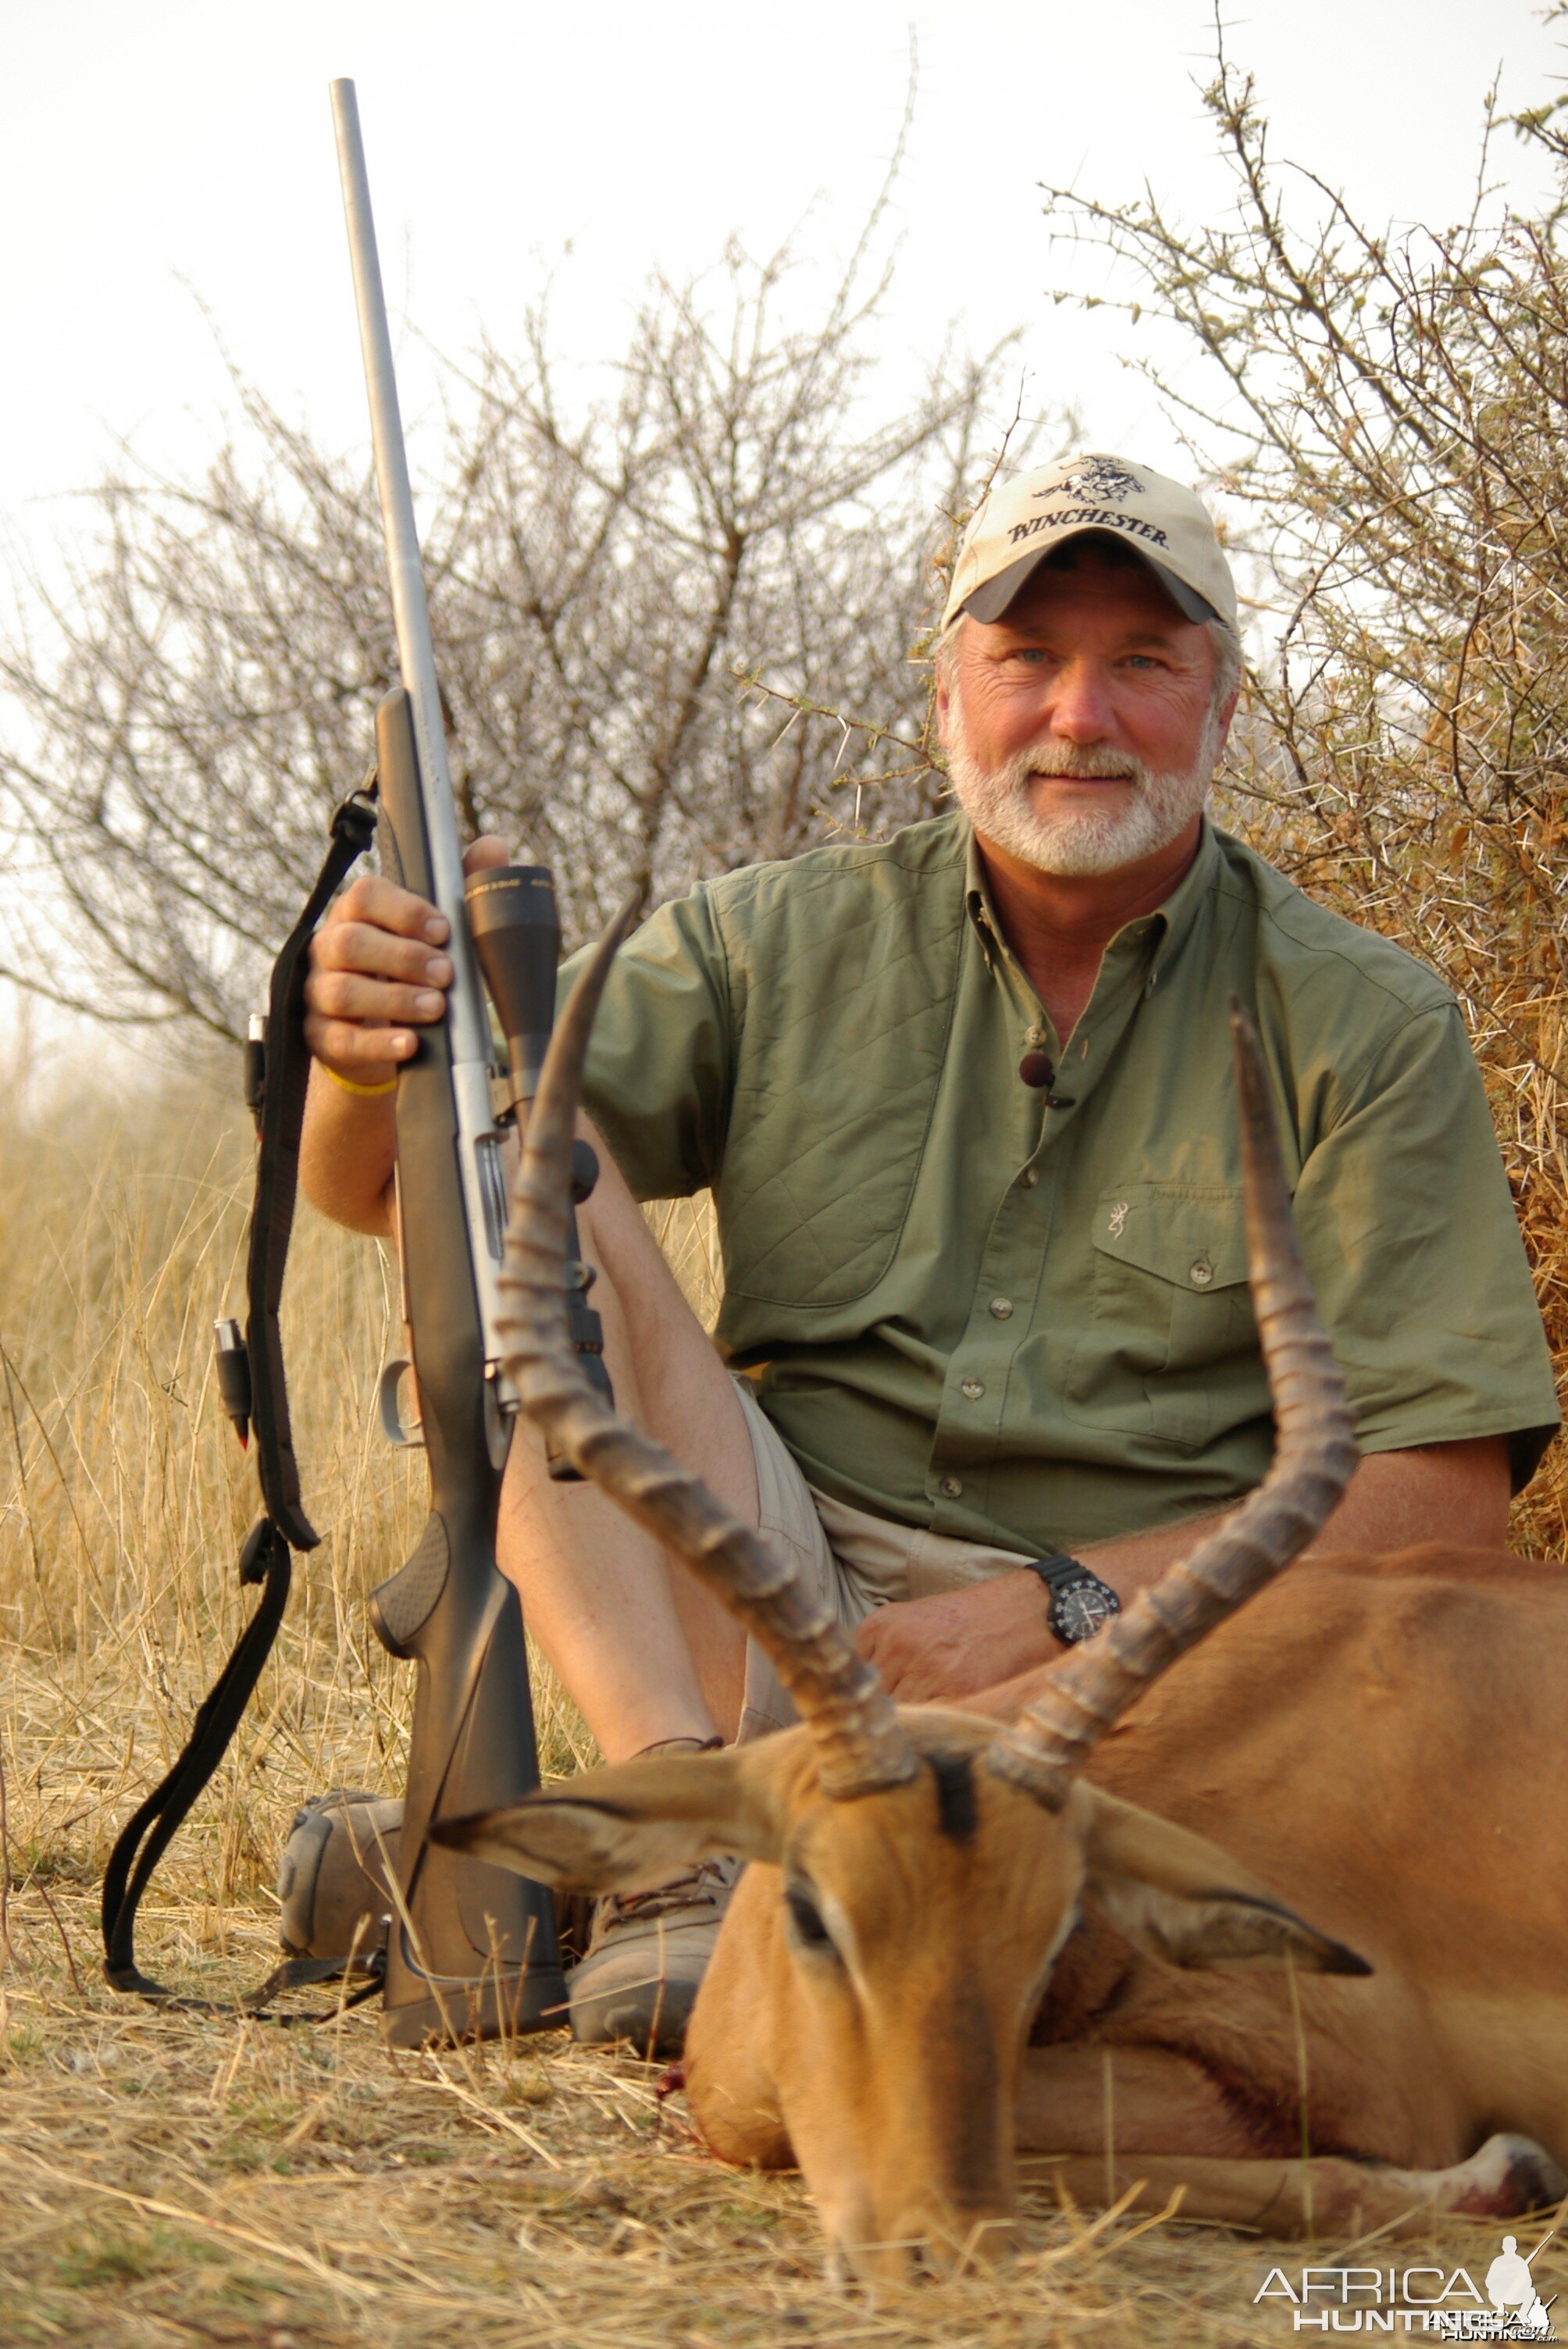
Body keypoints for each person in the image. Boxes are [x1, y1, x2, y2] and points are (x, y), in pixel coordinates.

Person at [297, 453, 1559, 2051]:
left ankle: (605, 1859)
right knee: (503, 1160)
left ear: (1222, 707)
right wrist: (372, 1043)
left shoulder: (1365, 1021)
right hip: (776, 1609)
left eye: (1141, 664)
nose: (1078, 715)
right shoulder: (772, 936)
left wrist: (1058, 1609)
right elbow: (393, 1198)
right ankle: (681, 1846)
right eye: (1025, 659)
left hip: (1139, 1683)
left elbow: (1435, 1498)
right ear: (946, 699)